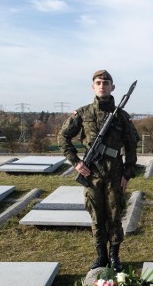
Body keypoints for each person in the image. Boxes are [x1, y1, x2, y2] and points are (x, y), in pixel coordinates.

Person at [58, 70, 139, 272]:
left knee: (114, 214)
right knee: (96, 215)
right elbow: (62, 137)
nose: (102, 85)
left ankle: (114, 256)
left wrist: (127, 174)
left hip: (114, 172)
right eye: (98, 82)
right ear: (93, 87)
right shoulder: (83, 113)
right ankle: (101, 255)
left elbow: (131, 146)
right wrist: (76, 162)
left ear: (113, 87)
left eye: (106, 82)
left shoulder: (121, 116)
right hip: (91, 173)